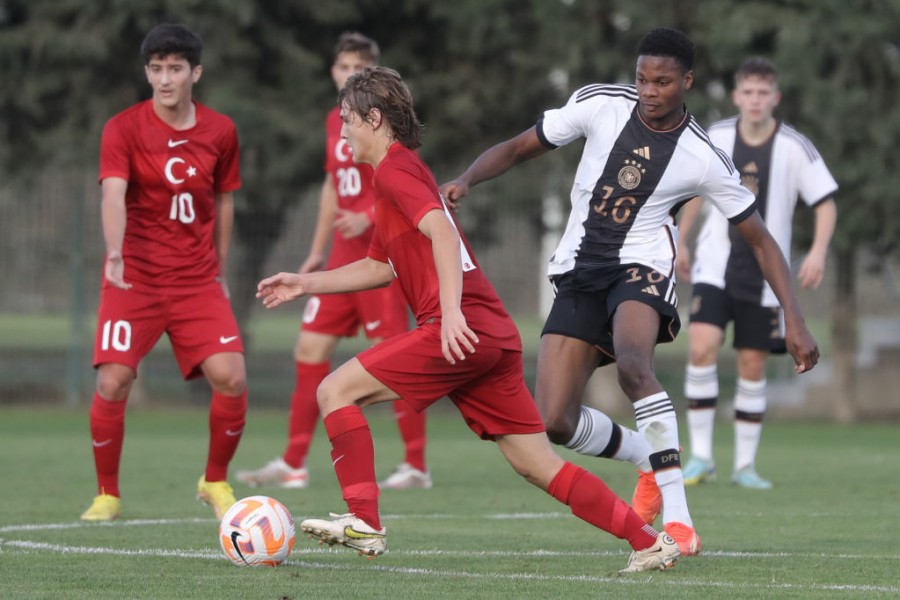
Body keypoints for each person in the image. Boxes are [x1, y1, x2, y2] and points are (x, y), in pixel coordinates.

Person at [256, 66, 680, 573]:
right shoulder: (394, 174)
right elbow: (379, 266)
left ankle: (363, 521)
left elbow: (443, 233)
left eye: (347, 120)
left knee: (334, 391)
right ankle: (649, 542)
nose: (341, 130)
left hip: (459, 329)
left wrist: (451, 315)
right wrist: (305, 283)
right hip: (490, 335)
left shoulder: (395, 170)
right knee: (539, 465)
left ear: (374, 118)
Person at [440, 27, 820, 554]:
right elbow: (521, 146)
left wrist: (794, 319)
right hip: (578, 270)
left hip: (641, 267)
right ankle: (648, 456)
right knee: (553, 420)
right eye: (642, 78)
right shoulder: (600, 104)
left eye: (662, 81)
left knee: (634, 364)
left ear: (686, 82)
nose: (648, 89)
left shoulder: (702, 155)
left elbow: (760, 240)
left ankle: (681, 522)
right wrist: (466, 179)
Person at [236, 33, 430, 492]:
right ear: (333, 71)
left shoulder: (384, 129)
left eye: (357, 68)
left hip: (380, 260)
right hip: (343, 259)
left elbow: (409, 188)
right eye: (343, 66)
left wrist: (366, 214)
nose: (348, 74)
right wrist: (315, 251)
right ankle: (293, 461)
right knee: (308, 351)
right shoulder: (334, 123)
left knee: (397, 357)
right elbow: (331, 187)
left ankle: (415, 465)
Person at [80, 23, 246, 522]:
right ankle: (107, 494)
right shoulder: (123, 128)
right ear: (147, 72)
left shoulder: (221, 131)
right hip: (135, 279)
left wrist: (220, 268)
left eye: (175, 68)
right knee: (113, 380)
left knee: (232, 378)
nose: (165, 79)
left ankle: (214, 481)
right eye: (156, 69)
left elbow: (224, 200)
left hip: (197, 280)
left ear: (196, 72)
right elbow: (113, 194)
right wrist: (114, 251)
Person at [675, 57, 837, 489]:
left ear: (775, 98)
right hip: (715, 265)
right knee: (701, 347)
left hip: (766, 276)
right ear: (736, 96)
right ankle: (701, 458)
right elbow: (692, 192)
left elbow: (825, 201)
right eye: (748, 92)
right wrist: (681, 241)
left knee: (751, 363)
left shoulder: (794, 147)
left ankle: (744, 465)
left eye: (763, 93)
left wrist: (818, 251)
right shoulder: (718, 136)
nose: (755, 100)